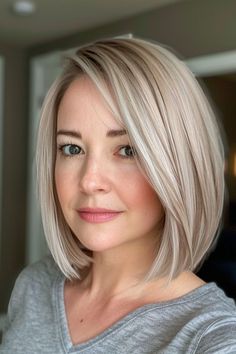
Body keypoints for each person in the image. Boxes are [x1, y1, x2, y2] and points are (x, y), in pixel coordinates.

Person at [1, 37, 236, 354]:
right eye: (72, 149)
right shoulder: (35, 285)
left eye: (128, 150)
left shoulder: (209, 336)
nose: (89, 181)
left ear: (180, 166)